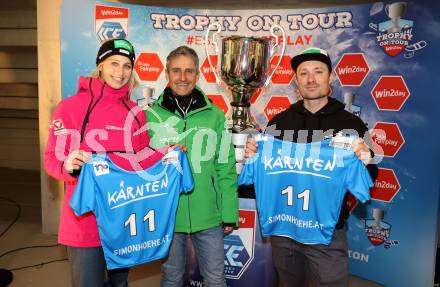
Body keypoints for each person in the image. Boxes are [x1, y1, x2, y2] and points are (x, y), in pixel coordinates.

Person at [244, 47, 378, 287]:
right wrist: (252, 156)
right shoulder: (279, 123)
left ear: (330, 77)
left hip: (327, 232)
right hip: (284, 231)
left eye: (318, 71)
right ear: (296, 81)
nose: (311, 79)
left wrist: (365, 159)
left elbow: (371, 175)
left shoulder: (352, 123)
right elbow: (261, 175)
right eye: (303, 73)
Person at [44, 38, 163, 287]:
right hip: (85, 222)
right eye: (113, 63)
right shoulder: (70, 108)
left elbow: (140, 161)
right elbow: (52, 159)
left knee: (119, 284)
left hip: (122, 221)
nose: (120, 73)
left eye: (127, 66)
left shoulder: (136, 112)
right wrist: (68, 165)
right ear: (100, 65)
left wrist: (167, 154)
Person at [146, 45, 238, 287]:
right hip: (168, 214)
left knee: (215, 279)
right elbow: (142, 165)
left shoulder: (215, 116)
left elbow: (225, 166)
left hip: (209, 214)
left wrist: (229, 212)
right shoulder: (150, 116)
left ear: (197, 75)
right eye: (176, 70)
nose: (183, 77)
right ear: (167, 73)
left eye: (189, 71)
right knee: (172, 276)